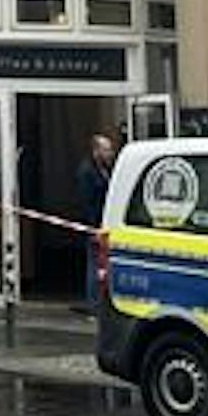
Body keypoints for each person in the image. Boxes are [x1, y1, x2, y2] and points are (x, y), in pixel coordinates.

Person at [76, 131, 116, 308]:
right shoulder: (87, 172)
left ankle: (101, 300)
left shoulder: (105, 169)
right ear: (96, 151)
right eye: (106, 150)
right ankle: (93, 302)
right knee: (94, 264)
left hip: (106, 224)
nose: (110, 153)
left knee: (102, 263)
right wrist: (93, 228)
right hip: (95, 225)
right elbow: (86, 201)